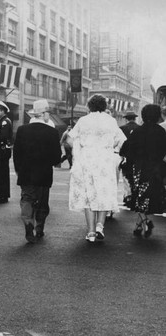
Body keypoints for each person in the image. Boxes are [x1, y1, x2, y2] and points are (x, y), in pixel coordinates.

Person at [67, 94, 127, 243]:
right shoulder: (111, 121)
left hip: (87, 161)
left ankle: (91, 232)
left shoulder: (83, 120)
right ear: (104, 106)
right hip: (105, 161)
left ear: (89, 106)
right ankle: (100, 226)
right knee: (103, 192)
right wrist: (109, 146)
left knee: (89, 195)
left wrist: (80, 147)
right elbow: (122, 141)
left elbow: (69, 139)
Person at [13, 99, 61, 243]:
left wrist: (18, 170)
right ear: (43, 114)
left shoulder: (21, 130)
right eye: (48, 113)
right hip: (44, 174)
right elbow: (56, 157)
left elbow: (16, 154)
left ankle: (28, 222)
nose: (49, 115)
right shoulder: (52, 132)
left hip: (26, 172)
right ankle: (39, 227)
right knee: (42, 202)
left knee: (27, 198)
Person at [119, 104, 166, 238]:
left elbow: (126, 150)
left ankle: (146, 222)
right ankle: (139, 225)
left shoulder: (138, 132)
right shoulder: (161, 132)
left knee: (138, 197)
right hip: (156, 169)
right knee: (148, 198)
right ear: (157, 115)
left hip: (139, 168)